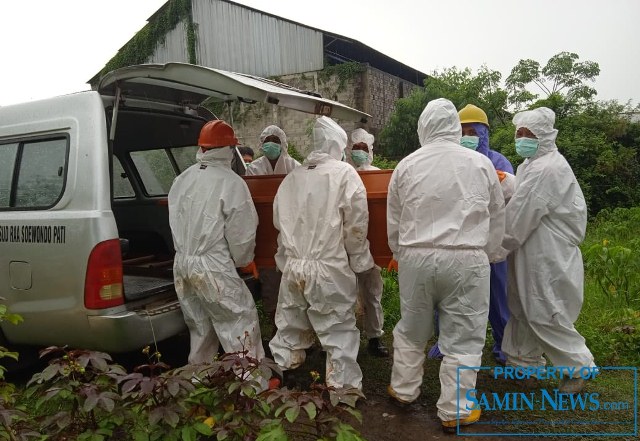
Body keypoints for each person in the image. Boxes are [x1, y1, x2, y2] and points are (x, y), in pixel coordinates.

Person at [386, 99, 505, 432]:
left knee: (411, 328)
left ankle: (404, 389)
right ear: (455, 126)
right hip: (467, 258)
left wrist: (401, 251)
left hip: (416, 256)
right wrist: (492, 253)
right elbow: (496, 217)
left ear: (423, 126)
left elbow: (394, 220)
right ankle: (456, 409)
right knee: (464, 336)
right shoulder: (480, 165)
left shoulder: (406, 165)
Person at [269, 116, 375, 392]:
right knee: (338, 329)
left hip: (294, 266)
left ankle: (284, 376)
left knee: (290, 323)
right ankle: (343, 392)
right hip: (329, 268)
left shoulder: (291, 177)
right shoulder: (344, 174)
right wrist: (359, 261)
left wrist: (285, 261)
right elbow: (356, 226)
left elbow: (280, 226)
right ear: (338, 145)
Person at [500, 107, 596, 394]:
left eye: (528, 134)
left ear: (544, 137)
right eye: (519, 133)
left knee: (544, 308)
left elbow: (519, 219)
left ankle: (577, 368)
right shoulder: (532, 164)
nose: (522, 139)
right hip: (533, 249)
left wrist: (493, 247)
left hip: (547, 253)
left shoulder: (547, 168)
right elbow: (526, 199)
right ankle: (523, 365)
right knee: (521, 307)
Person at [168, 120, 265, 364]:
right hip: (212, 266)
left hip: (182, 263)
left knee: (200, 325)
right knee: (238, 319)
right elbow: (241, 231)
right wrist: (245, 261)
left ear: (203, 148)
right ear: (229, 150)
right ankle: (249, 385)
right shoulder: (230, 182)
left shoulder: (181, 179)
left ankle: (201, 379)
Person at [428, 104, 513, 365]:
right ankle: (445, 342)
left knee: (498, 299)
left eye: (472, 131)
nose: (467, 136)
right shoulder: (449, 161)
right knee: (448, 298)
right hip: (455, 241)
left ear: (484, 133)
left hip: (489, 243)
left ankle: (503, 345)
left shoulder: (497, 161)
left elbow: (509, 197)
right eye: (462, 130)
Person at [245, 125, 300, 339]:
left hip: (291, 232)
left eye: (275, 140)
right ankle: (276, 328)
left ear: (283, 144)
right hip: (266, 234)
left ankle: (297, 329)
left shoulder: (295, 166)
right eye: (267, 140)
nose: (271, 144)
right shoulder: (254, 169)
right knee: (271, 283)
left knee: (294, 282)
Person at [346, 128, 388, 357]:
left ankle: (374, 337)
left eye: (363, 148)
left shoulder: (377, 175)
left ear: (370, 151)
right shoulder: (343, 174)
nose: (359, 152)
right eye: (356, 148)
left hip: (372, 247)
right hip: (346, 246)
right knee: (346, 294)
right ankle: (347, 339)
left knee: (372, 294)